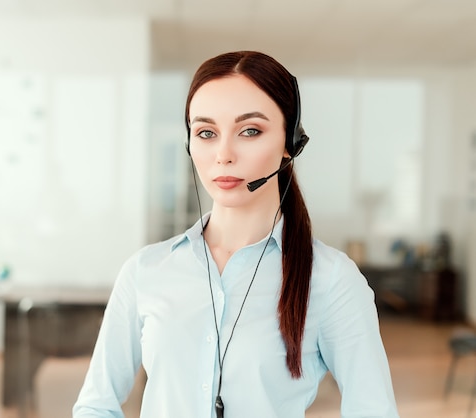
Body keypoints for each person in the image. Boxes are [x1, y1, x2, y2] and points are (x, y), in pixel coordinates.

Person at [73, 51, 399, 418]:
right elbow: (96, 405)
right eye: (206, 133)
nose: (223, 155)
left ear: (290, 142)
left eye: (250, 131)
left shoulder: (332, 280)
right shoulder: (146, 271)